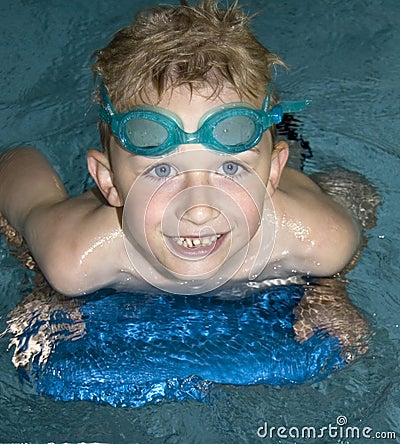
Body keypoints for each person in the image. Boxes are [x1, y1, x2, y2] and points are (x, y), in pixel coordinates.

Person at [0, 0, 361, 297]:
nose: (199, 210)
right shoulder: (76, 256)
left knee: (353, 191)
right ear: (108, 182)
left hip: (294, 188)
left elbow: (350, 242)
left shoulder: (319, 240)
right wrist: (41, 283)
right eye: (162, 170)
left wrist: (329, 294)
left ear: (271, 174)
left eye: (230, 168)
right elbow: (15, 163)